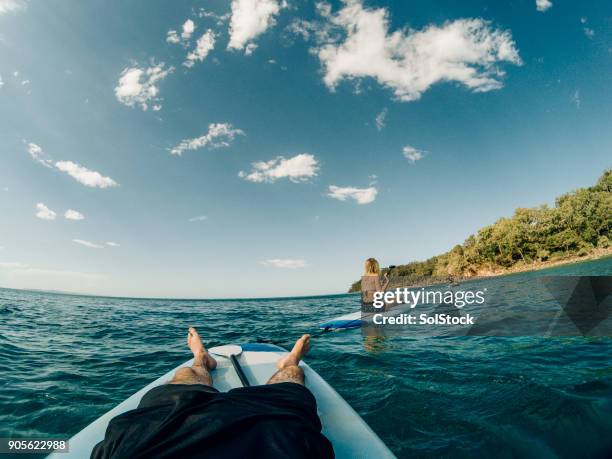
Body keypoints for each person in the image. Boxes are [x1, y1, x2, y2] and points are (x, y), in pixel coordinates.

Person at [92, 328, 334, 459]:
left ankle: (201, 359)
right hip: (271, 431)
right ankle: (290, 362)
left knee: (185, 380)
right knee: (292, 382)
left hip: (159, 432)